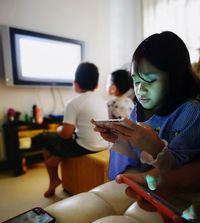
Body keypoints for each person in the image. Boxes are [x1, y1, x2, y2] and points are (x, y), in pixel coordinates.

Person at [92, 31, 200, 185]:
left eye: (150, 81)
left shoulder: (190, 112)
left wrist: (154, 146)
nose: (140, 90)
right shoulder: (138, 108)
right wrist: (119, 137)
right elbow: (132, 153)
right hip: (134, 178)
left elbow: (180, 168)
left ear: (175, 77)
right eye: (136, 81)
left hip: (166, 185)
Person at [34, 62, 109, 197]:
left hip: (86, 147)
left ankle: (53, 178)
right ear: (97, 85)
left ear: (75, 83)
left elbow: (66, 135)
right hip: (103, 144)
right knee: (66, 141)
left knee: (45, 138)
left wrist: (59, 129)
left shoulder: (73, 103)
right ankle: (53, 161)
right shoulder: (102, 101)